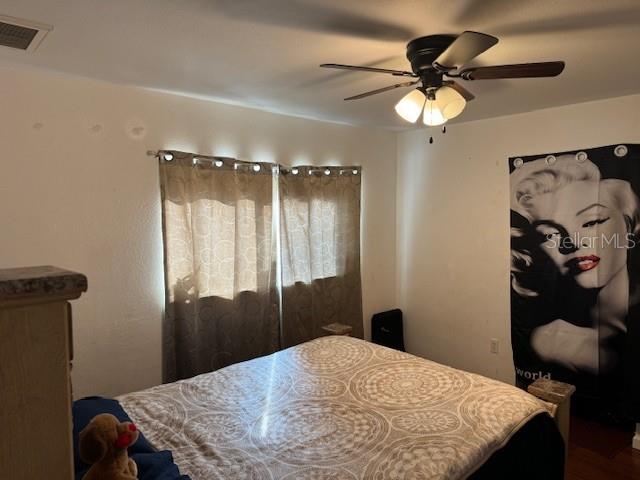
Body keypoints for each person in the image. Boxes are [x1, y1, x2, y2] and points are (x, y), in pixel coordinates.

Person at [510, 154, 640, 377]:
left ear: (627, 224)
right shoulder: (552, 341)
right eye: (550, 235)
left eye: (592, 222)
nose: (571, 243)